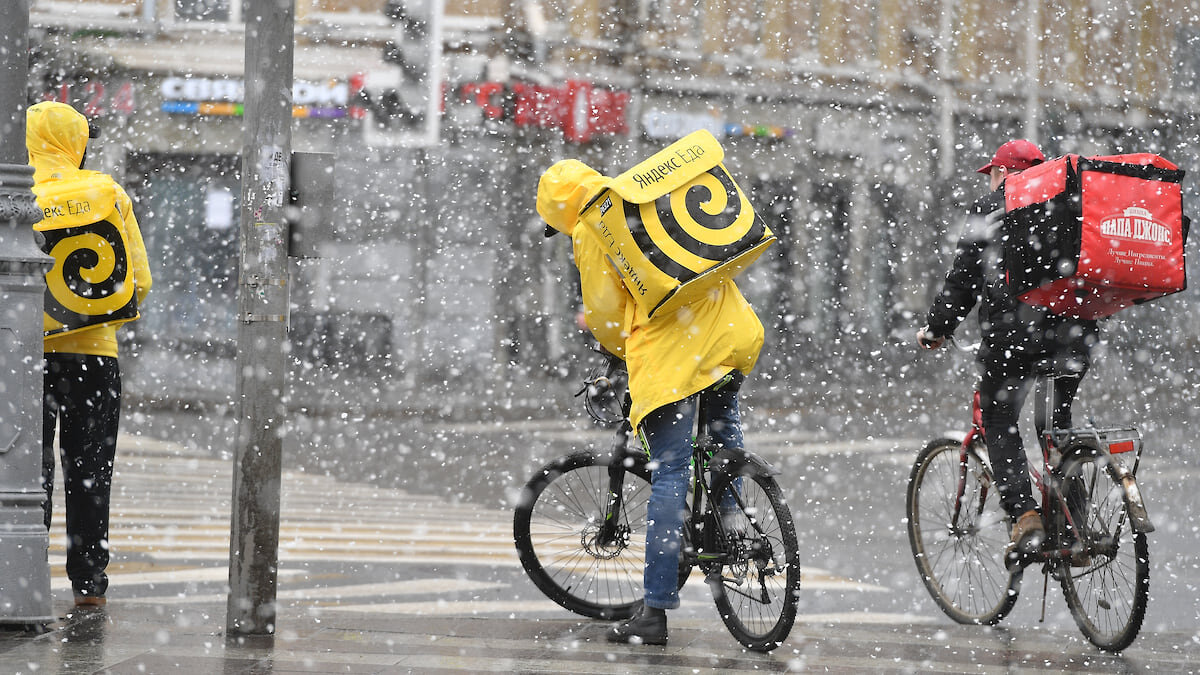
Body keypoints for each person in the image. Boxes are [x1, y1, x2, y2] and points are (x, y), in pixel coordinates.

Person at [536, 159, 764, 645]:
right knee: (723, 441)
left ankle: (654, 611)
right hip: (731, 332)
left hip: (674, 357)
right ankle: (736, 532)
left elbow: (606, 315)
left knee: (671, 470)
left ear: (562, 212)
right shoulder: (643, 195)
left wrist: (614, 357)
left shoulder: (593, 227)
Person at [917, 139, 1098, 566]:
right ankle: (1080, 529)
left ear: (1001, 173)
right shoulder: (1070, 201)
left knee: (998, 419)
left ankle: (1027, 520)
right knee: (1057, 427)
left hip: (1014, 338)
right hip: (1073, 332)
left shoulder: (991, 209)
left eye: (993, 173)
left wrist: (936, 329)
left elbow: (962, 282)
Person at [27, 101, 152, 607]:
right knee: (90, 468)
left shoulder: (14, 193)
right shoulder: (105, 191)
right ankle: (88, 583)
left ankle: (22, 569)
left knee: (25, 470)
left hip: (21, 356)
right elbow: (139, 281)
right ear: (75, 141)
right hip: (94, 356)